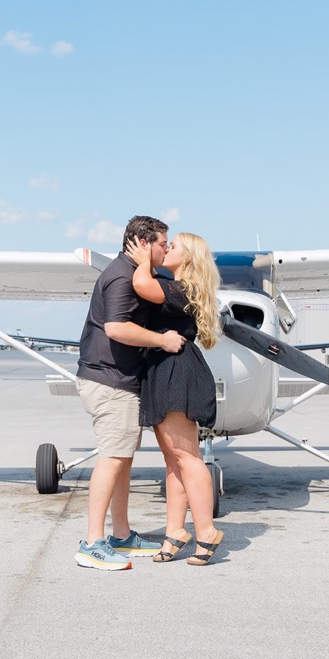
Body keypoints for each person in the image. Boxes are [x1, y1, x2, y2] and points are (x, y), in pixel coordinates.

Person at [73, 216, 188, 571]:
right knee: (111, 457)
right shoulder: (122, 276)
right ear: (141, 242)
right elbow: (116, 327)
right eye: (162, 243)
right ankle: (93, 542)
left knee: (122, 457)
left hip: (121, 381)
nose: (166, 249)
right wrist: (163, 340)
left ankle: (121, 535)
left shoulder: (136, 273)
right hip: (109, 381)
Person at [130, 231, 224, 566]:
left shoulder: (182, 289)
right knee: (174, 460)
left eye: (174, 246)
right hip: (163, 370)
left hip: (176, 371)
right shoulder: (176, 286)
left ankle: (207, 530)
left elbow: (141, 284)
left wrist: (143, 260)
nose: (167, 249)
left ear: (188, 258)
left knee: (187, 458)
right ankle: (175, 531)